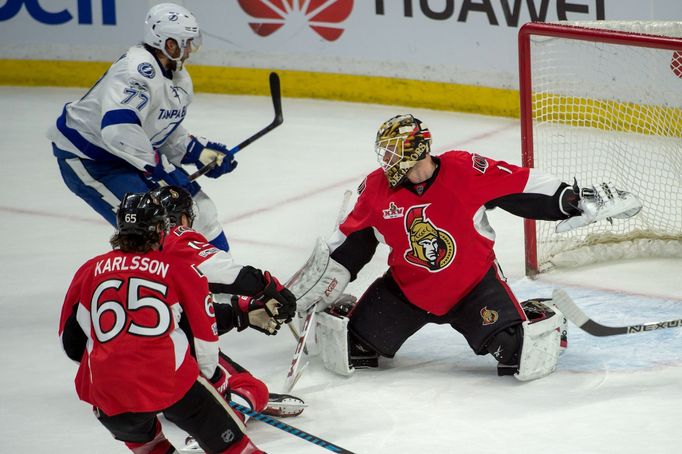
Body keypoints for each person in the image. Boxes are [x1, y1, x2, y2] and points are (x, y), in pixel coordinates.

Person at [289, 113, 642, 381]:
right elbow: (354, 241)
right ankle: (349, 310)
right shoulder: (377, 188)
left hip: (473, 287)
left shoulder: (463, 170)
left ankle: (542, 314)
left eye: (395, 153)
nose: (388, 161)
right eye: (385, 154)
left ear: (418, 149)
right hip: (407, 291)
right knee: (354, 349)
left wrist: (571, 198)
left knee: (522, 357)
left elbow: (520, 187)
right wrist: (322, 281)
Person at [58, 193, 267, 453]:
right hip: (173, 384)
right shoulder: (180, 269)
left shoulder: (88, 271)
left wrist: (115, 369)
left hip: (108, 395)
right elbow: (204, 340)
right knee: (237, 449)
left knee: (152, 448)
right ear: (160, 229)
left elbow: (71, 343)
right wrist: (212, 387)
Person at [47, 3, 235, 251]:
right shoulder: (135, 72)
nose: (190, 48)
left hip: (132, 156)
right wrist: (159, 168)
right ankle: (153, 286)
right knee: (148, 228)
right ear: (169, 44)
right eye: (186, 42)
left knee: (200, 211)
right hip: (91, 161)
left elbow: (158, 129)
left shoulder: (176, 76)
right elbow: (119, 130)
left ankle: (221, 285)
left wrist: (197, 151)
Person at [148, 185, 305, 419]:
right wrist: (269, 287)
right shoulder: (176, 237)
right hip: (168, 359)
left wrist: (240, 313)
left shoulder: (126, 253)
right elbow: (226, 273)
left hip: (129, 378)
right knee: (252, 390)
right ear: (181, 217)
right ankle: (226, 413)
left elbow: (180, 314)